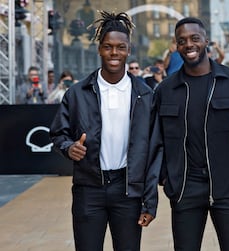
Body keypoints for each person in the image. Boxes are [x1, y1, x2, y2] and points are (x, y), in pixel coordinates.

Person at [49, 11, 162, 251]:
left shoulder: (145, 95)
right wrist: (69, 148)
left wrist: (149, 201)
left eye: (120, 47)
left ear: (128, 50)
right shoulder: (77, 93)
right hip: (89, 189)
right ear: (99, 49)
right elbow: (58, 134)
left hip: (128, 191)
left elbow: (154, 151)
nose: (114, 53)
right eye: (108, 47)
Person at [155, 17, 229, 251]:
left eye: (195, 38)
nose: (189, 44)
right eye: (182, 41)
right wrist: (166, 178)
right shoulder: (166, 90)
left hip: (228, 186)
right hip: (185, 188)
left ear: (206, 40)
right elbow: (156, 139)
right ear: (177, 46)